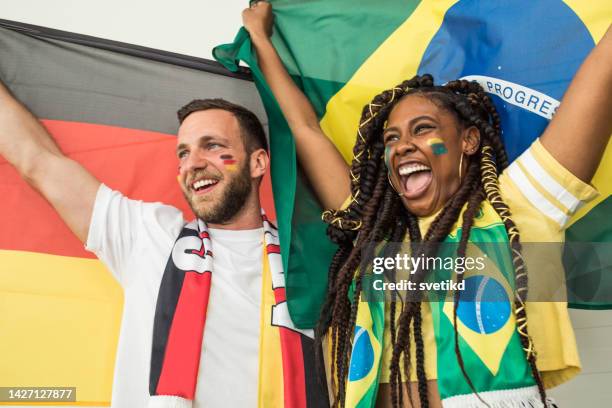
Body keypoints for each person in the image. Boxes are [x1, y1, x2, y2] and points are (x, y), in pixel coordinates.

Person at [242, 2, 612, 407]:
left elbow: (598, 79)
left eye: (423, 129)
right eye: (392, 139)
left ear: (468, 141)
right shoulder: (372, 226)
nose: (402, 147)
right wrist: (261, 38)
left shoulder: (519, 205)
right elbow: (305, 128)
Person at [0, 80, 329, 407]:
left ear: (258, 163)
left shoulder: (308, 263)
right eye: (183, 153)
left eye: (212, 146)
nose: (193, 163)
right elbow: (38, 161)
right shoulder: (149, 234)